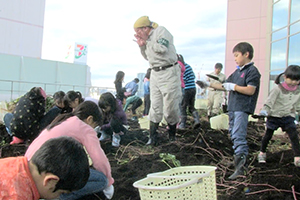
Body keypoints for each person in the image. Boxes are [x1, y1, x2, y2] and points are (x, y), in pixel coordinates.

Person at [196, 42, 261, 179]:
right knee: (233, 134)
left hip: (242, 108)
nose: (235, 59)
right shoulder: (237, 72)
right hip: (233, 107)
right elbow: (225, 85)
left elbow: (250, 90)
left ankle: (241, 169)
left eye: (237, 55)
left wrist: (234, 87)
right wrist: (208, 84)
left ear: (246, 54)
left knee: (238, 135)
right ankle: (238, 163)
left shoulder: (252, 71)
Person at [25, 101, 114, 200]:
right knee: (101, 180)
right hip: (45, 170)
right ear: (90, 119)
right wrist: (109, 182)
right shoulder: (84, 127)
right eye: (95, 125)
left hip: (29, 167)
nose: (94, 129)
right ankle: (58, 196)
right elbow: (99, 159)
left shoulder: (64, 120)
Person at [134, 16, 181, 145]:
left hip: (169, 72)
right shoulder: (147, 40)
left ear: (145, 28)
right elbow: (147, 57)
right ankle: (153, 137)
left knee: (170, 107)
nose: (137, 34)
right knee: (155, 106)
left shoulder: (161, 31)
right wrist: (141, 46)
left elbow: (162, 48)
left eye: (138, 31)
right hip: (155, 73)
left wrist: (147, 42)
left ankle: (172, 136)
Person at [0, 136, 90, 200]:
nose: (58, 197)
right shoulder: (18, 196)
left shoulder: (14, 163)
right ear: (50, 181)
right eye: (61, 193)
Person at [257, 65, 300, 167]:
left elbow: (298, 105)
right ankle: (262, 153)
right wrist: (264, 111)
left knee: (294, 135)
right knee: (268, 135)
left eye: (297, 80)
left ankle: (297, 157)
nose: (294, 82)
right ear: (285, 77)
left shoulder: (298, 91)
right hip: (274, 116)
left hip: (288, 116)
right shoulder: (277, 89)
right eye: (291, 79)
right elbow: (269, 102)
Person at [178, 54, 200, 129]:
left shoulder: (181, 67)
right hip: (193, 88)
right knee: (191, 106)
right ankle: (197, 120)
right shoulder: (188, 66)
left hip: (186, 89)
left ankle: (182, 124)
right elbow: (193, 76)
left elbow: (182, 80)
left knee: (182, 107)